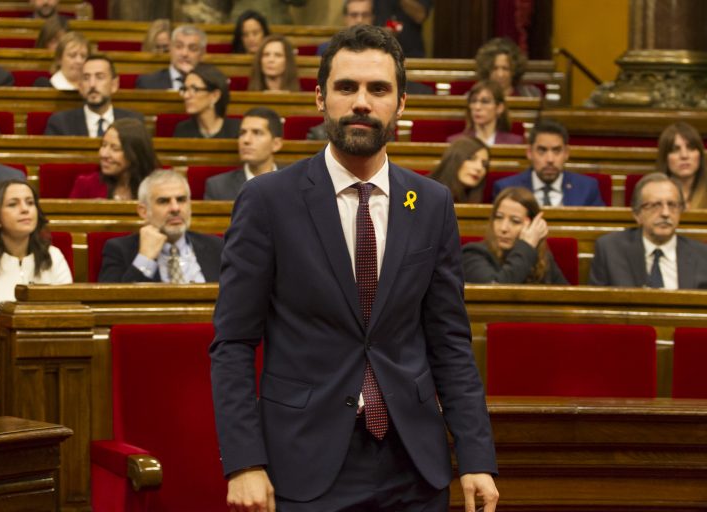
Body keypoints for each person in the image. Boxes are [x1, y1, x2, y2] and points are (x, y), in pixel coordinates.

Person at [210, 24, 498, 511]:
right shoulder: (268, 201)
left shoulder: (431, 203)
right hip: (305, 461)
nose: (361, 102)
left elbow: (449, 341)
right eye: (346, 87)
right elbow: (233, 343)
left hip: (414, 464)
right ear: (320, 98)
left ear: (401, 104)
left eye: (378, 89)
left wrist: (475, 457)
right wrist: (244, 463)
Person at [0, 179, 73, 400]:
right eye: (13, 204)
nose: (25, 209)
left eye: (30, 202)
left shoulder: (53, 256)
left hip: (52, 360)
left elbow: (68, 317)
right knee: (32, 387)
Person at [98, 169, 223, 283]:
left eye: (181, 200)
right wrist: (145, 257)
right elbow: (112, 299)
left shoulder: (217, 247)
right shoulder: (119, 250)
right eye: (163, 201)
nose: (175, 208)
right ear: (143, 211)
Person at [589, 173, 707, 289]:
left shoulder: (702, 255)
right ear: (637, 214)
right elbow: (595, 300)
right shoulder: (610, 250)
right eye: (655, 205)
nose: (665, 213)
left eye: (672, 205)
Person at [463, 187, 567, 284]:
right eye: (498, 217)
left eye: (515, 221)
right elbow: (496, 291)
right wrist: (526, 245)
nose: (504, 228)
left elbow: (566, 294)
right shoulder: (473, 253)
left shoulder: (542, 258)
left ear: (532, 226)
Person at [493, 118, 605, 206]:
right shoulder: (506, 189)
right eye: (542, 150)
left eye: (556, 150)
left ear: (566, 153)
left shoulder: (587, 188)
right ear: (529, 152)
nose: (550, 159)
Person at [45, 55, 144, 137]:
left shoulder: (133, 122)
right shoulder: (61, 123)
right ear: (80, 86)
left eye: (99, 77)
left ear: (114, 84)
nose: (92, 84)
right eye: (86, 78)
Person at [204, 107, 283, 200]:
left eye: (257, 132)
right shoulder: (218, 187)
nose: (246, 140)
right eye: (242, 133)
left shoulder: (293, 182)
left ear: (276, 144)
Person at [70, 118, 157, 200]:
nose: (103, 154)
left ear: (135, 153)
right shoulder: (85, 185)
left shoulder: (156, 187)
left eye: (115, 148)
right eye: (104, 145)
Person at [173, 63, 240, 139]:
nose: (186, 96)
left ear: (215, 96)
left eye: (195, 89)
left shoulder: (236, 130)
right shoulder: (182, 130)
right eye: (185, 89)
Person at [447, 80, 523, 146]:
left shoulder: (514, 143)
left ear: (499, 108)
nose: (477, 107)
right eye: (473, 101)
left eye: (485, 101)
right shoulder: (456, 142)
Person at [135, 25, 206, 90]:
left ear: (202, 53)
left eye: (192, 48)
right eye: (179, 46)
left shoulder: (209, 83)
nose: (184, 54)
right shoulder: (148, 83)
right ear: (170, 49)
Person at [657, 122, 707, 210]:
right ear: (665, 158)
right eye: (675, 150)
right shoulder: (653, 194)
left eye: (691, 148)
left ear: (700, 155)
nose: (684, 155)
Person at [429, 135, 490, 204]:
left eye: (484, 164)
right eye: (471, 159)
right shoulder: (426, 190)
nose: (479, 168)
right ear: (454, 160)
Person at [475, 37, 542, 98]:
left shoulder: (531, 94)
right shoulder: (476, 97)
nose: (500, 74)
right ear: (487, 70)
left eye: (505, 69)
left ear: (514, 70)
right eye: (494, 69)